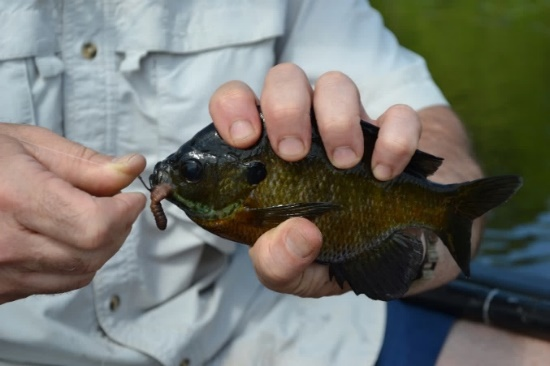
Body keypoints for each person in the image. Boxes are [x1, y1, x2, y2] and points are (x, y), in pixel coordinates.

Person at [0, 1, 548, 365]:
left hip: (285, 335)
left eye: (191, 172)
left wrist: (441, 210)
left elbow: (434, 134)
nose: (170, 178)